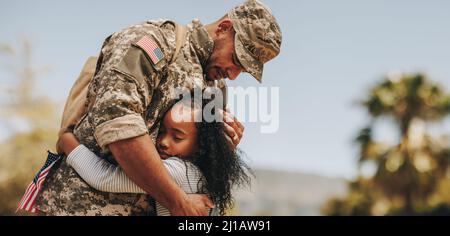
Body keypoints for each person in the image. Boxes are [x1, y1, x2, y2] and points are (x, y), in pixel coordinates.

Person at [34, 0, 282, 216]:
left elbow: (196, 166)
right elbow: (119, 125)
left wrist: (223, 147)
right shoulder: (156, 43)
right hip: (83, 206)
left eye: (244, 70)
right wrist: (177, 202)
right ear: (224, 28)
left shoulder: (216, 88)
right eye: (237, 60)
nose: (235, 74)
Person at [57, 96, 252, 216]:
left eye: (177, 136)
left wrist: (67, 141)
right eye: (162, 131)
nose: (163, 142)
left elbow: (103, 177)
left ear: (202, 146)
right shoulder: (206, 174)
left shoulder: (180, 171)